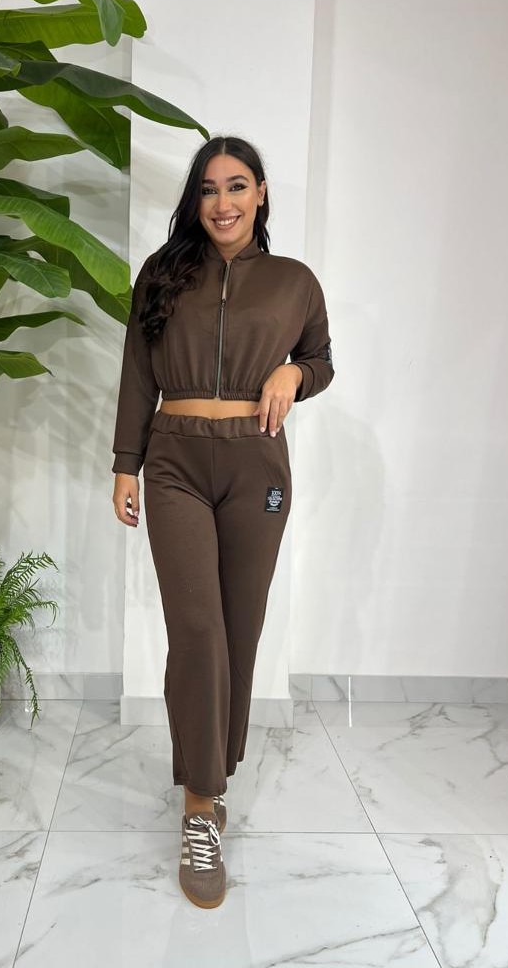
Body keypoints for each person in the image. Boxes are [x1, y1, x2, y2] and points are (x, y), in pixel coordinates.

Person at [111, 136, 334, 908]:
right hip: (174, 458)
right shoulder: (163, 272)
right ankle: (199, 807)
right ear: (196, 200)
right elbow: (136, 372)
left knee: (239, 630)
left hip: (256, 465)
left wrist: (294, 372)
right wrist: (125, 462)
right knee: (197, 629)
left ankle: (216, 772)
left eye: (238, 186)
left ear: (261, 192)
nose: (223, 203)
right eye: (209, 189)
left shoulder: (294, 281)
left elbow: (323, 360)